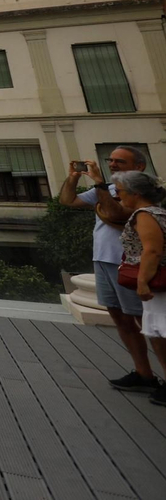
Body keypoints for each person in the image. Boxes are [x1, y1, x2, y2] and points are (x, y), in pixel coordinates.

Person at [59, 145, 159, 393]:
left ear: (139, 167)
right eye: (110, 160)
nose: (112, 165)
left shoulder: (145, 193)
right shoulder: (111, 189)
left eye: (120, 162)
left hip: (131, 264)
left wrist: (100, 185)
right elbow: (68, 201)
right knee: (121, 319)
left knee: (148, 322)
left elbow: (116, 214)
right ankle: (144, 374)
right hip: (104, 261)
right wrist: (73, 178)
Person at [115, 170, 166, 407]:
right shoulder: (156, 212)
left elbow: (152, 250)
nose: (118, 196)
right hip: (157, 282)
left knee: (162, 332)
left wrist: (143, 281)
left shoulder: (145, 215)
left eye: (120, 191)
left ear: (135, 193)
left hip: (158, 283)